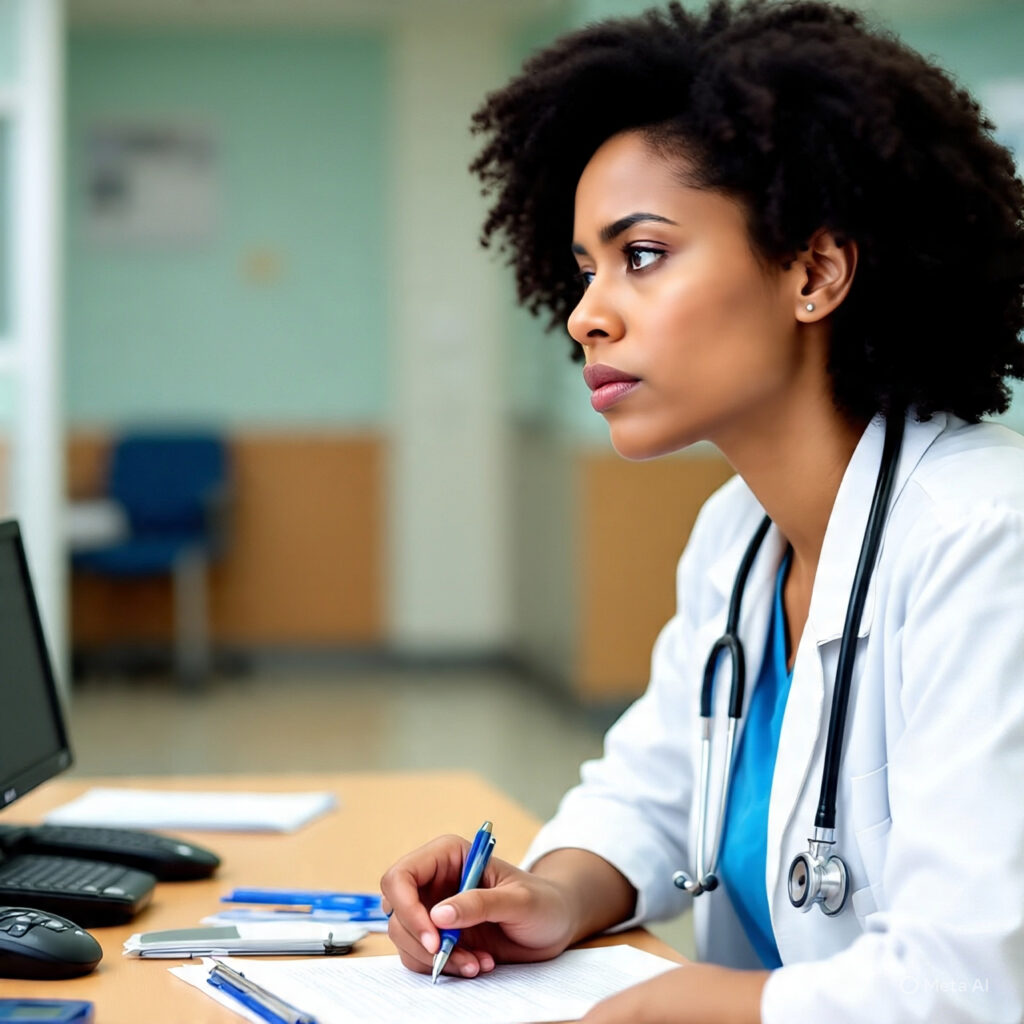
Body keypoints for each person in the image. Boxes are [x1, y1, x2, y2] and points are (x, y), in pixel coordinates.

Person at [379, 1, 1024, 1020]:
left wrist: (669, 1008)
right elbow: (651, 790)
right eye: (585, 268)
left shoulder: (986, 539)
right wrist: (546, 892)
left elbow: (972, 982)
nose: (585, 312)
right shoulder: (738, 535)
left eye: (641, 255)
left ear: (813, 272)